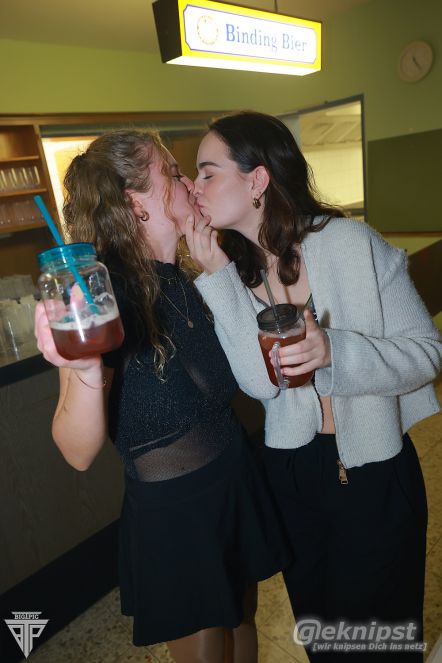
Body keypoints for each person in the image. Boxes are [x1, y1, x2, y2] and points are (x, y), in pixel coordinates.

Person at [185, 111, 442, 663]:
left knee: (381, 643)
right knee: (325, 639)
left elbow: (427, 354)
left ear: (257, 179)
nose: (195, 187)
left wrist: (335, 351)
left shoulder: (351, 244)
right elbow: (260, 385)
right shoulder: (235, 274)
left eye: (208, 172)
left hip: (374, 471)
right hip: (291, 475)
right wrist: (216, 276)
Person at [34, 129, 291, 663]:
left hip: (233, 478)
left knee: (244, 623)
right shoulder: (103, 294)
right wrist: (84, 367)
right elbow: (76, 450)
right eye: (173, 174)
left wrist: (219, 268)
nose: (189, 182)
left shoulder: (186, 279)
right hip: (175, 515)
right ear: (135, 204)